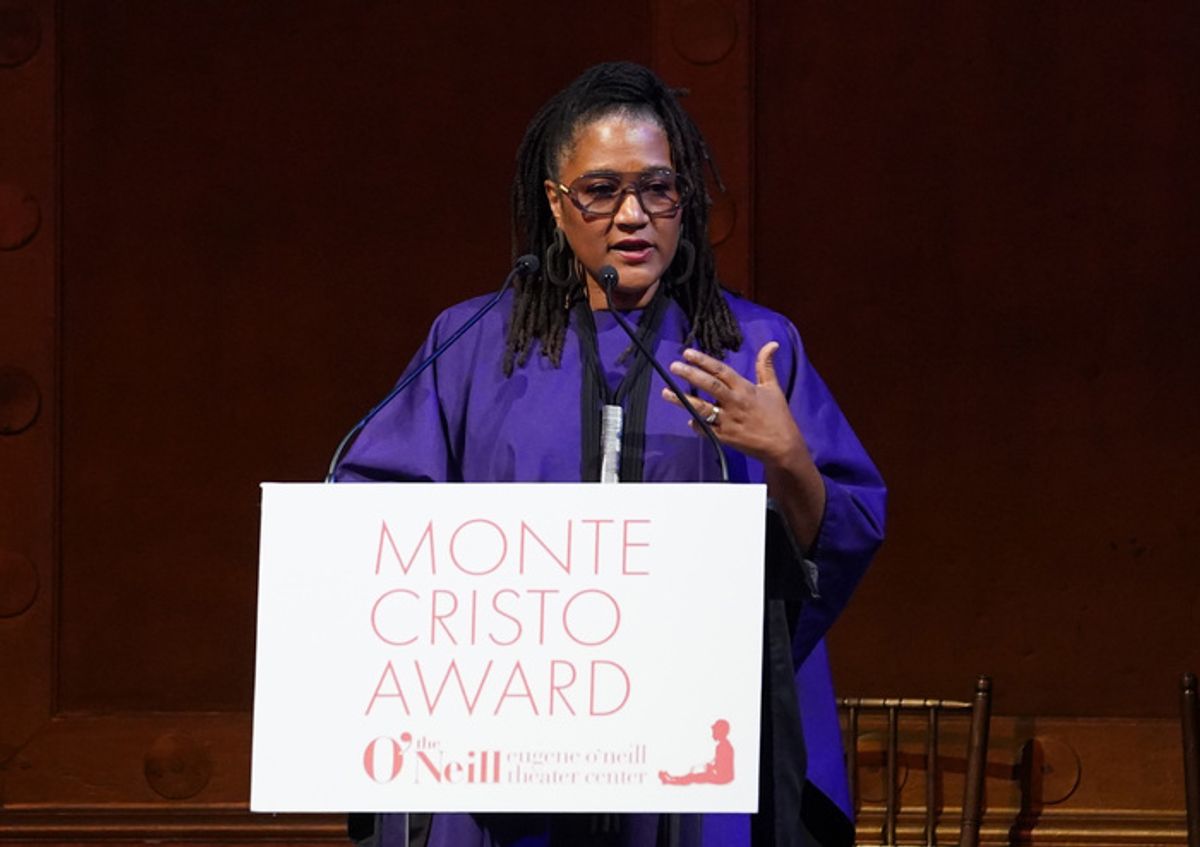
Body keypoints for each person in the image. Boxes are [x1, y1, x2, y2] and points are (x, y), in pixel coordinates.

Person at [337, 61, 885, 847]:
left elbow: (841, 534)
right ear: (556, 205)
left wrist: (790, 459)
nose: (634, 215)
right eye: (601, 190)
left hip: (689, 748)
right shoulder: (474, 344)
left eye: (658, 189)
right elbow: (371, 521)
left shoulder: (754, 347)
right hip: (507, 748)